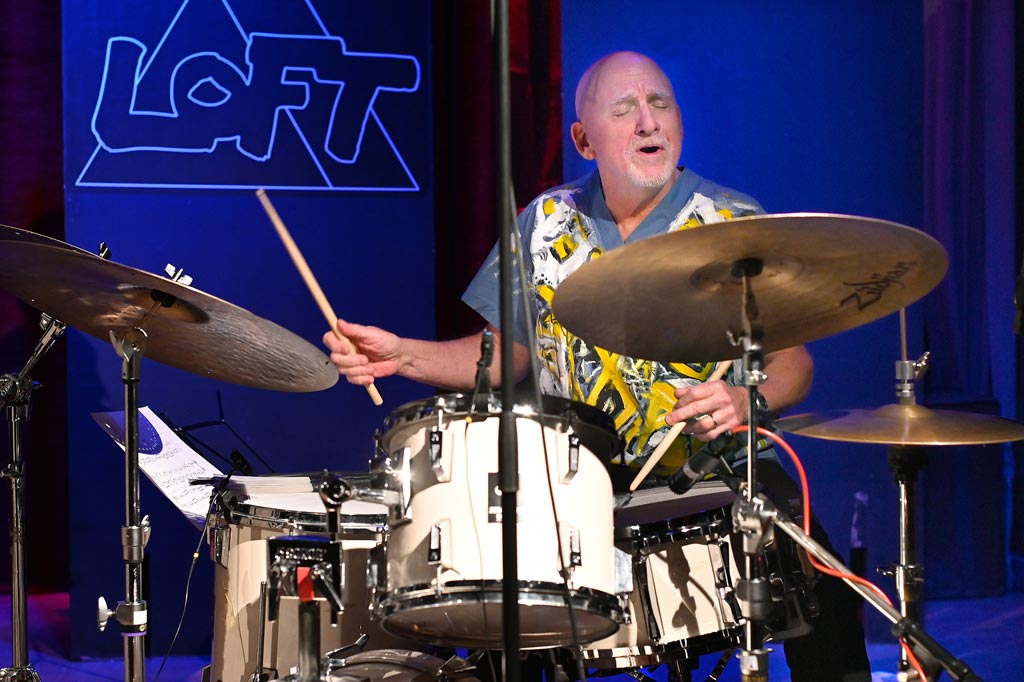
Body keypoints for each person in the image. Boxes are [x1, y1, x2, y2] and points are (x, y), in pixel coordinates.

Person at [325, 51, 870, 682]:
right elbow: (505, 355)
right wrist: (402, 355)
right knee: (502, 605)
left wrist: (748, 401)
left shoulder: (732, 221)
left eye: (660, 104)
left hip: (719, 473)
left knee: (824, 594)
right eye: (625, 109)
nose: (648, 122)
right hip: (584, 482)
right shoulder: (545, 223)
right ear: (584, 140)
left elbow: (794, 361)